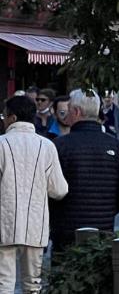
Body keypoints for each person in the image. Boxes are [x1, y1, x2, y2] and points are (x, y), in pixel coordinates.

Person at [50, 89, 119, 252]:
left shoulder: (60, 146)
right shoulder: (116, 146)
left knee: (65, 274)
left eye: (68, 110)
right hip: (103, 227)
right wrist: (109, 208)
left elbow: (51, 189)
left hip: (67, 230)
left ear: (76, 112)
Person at [0, 94, 68, 294]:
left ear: (12, 118)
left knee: (4, 283)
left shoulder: (1, 144)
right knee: (33, 285)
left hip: (3, 225)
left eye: (4, 116)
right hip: (36, 226)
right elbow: (59, 190)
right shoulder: (47, 146)